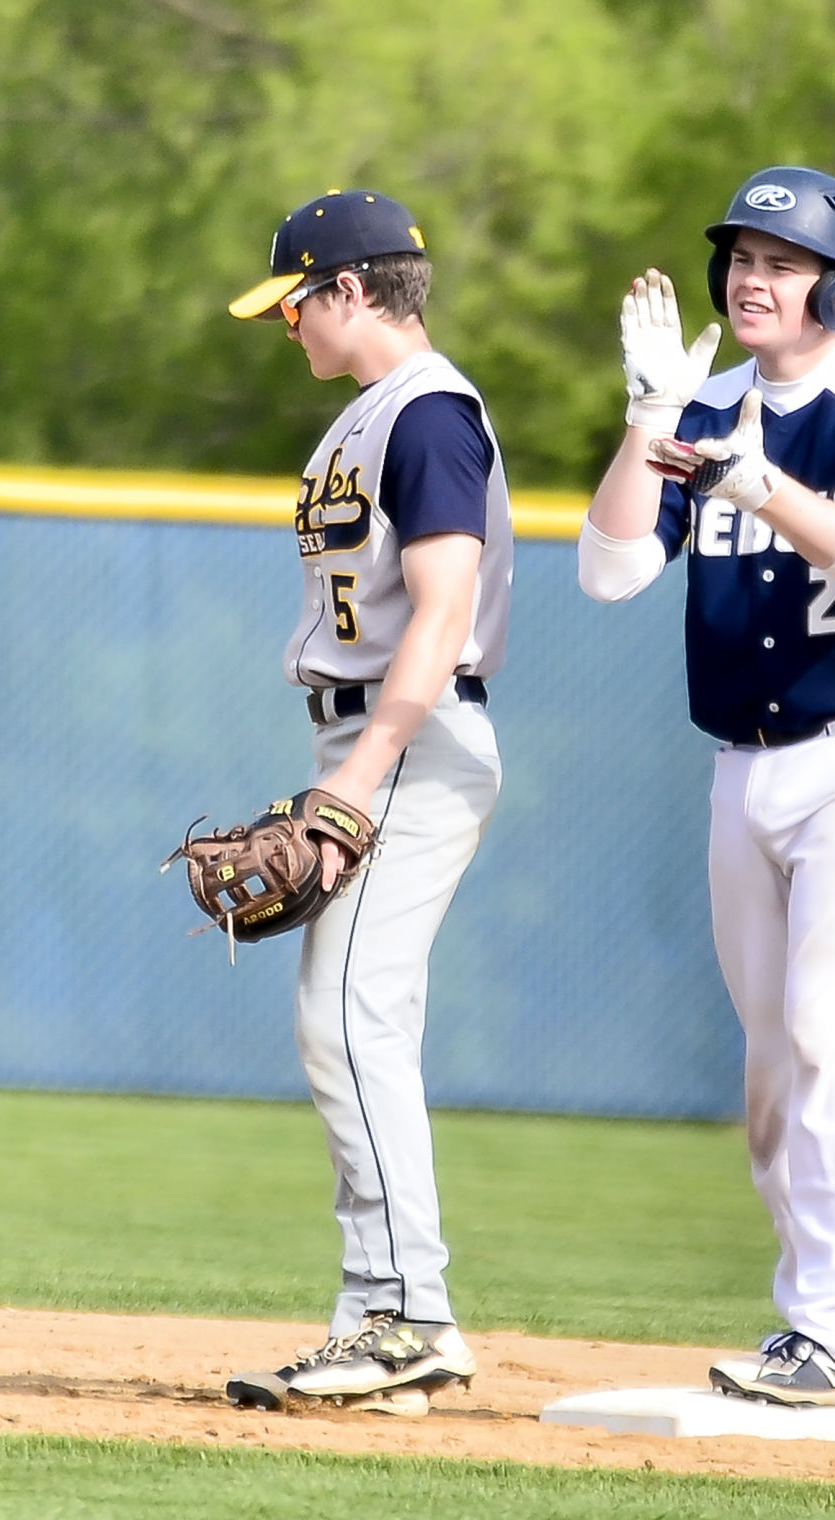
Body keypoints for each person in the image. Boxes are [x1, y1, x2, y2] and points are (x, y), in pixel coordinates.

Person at [578, 166, 835, 1410]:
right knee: (769, 1069)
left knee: (833, 1038)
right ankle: (806, 1323)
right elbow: (607, 571)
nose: (754, 276)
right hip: (742, 765)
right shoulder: (700, 405)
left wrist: (749, 479)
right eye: (743, 255)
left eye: (784, 260)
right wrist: (651, 422)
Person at [223, 188, 512, 1414]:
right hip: (374, 739)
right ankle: (384, 1322)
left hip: (408, 742)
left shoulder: (428, 414)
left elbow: (442, 615)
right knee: (345, 1014)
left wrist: (355, 771)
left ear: (348, 290)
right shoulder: (368, 419)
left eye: (294, 300)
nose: (285, 324)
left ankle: (404, 1314)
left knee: (350, 1013)